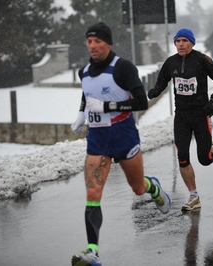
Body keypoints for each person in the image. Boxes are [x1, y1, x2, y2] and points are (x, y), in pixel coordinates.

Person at [70, 22, 171, 266]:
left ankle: (153, 188)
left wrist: (107, 107)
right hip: (97, 139)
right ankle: (93, 251)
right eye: (89, 41)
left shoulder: (123, 67)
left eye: (98, 41)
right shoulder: (83, 72)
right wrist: (81, 113)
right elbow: (87, 93)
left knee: (137, 188)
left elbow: (140, 103)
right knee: (93, 193)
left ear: (109, 43)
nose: (92, 46)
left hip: (123, 135)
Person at [147, 28, 213, 212]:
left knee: (204, 159)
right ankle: (194, 196)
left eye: (184, 40)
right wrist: (156, 91)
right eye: (178, 41)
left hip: (201, 114)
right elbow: (162, 81)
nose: (181, 44)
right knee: (182, 157)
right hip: (181, 116)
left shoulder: (202, 60)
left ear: (192, 43)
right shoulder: (171, 62)